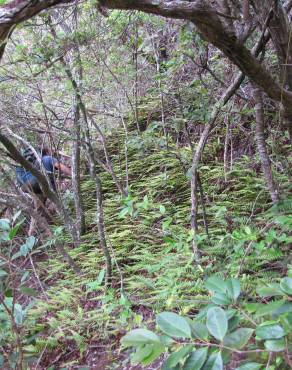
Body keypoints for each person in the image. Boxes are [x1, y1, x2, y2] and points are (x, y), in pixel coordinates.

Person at [16, 146, 71, 235]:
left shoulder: (26, 165)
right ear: (45, 152)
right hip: (39, 182)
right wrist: (76, 175)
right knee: (56, 198)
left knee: (38, 209)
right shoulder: (46, 159)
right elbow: (61, 166)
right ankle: (64, 222)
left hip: (26, 186)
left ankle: (31, 232)